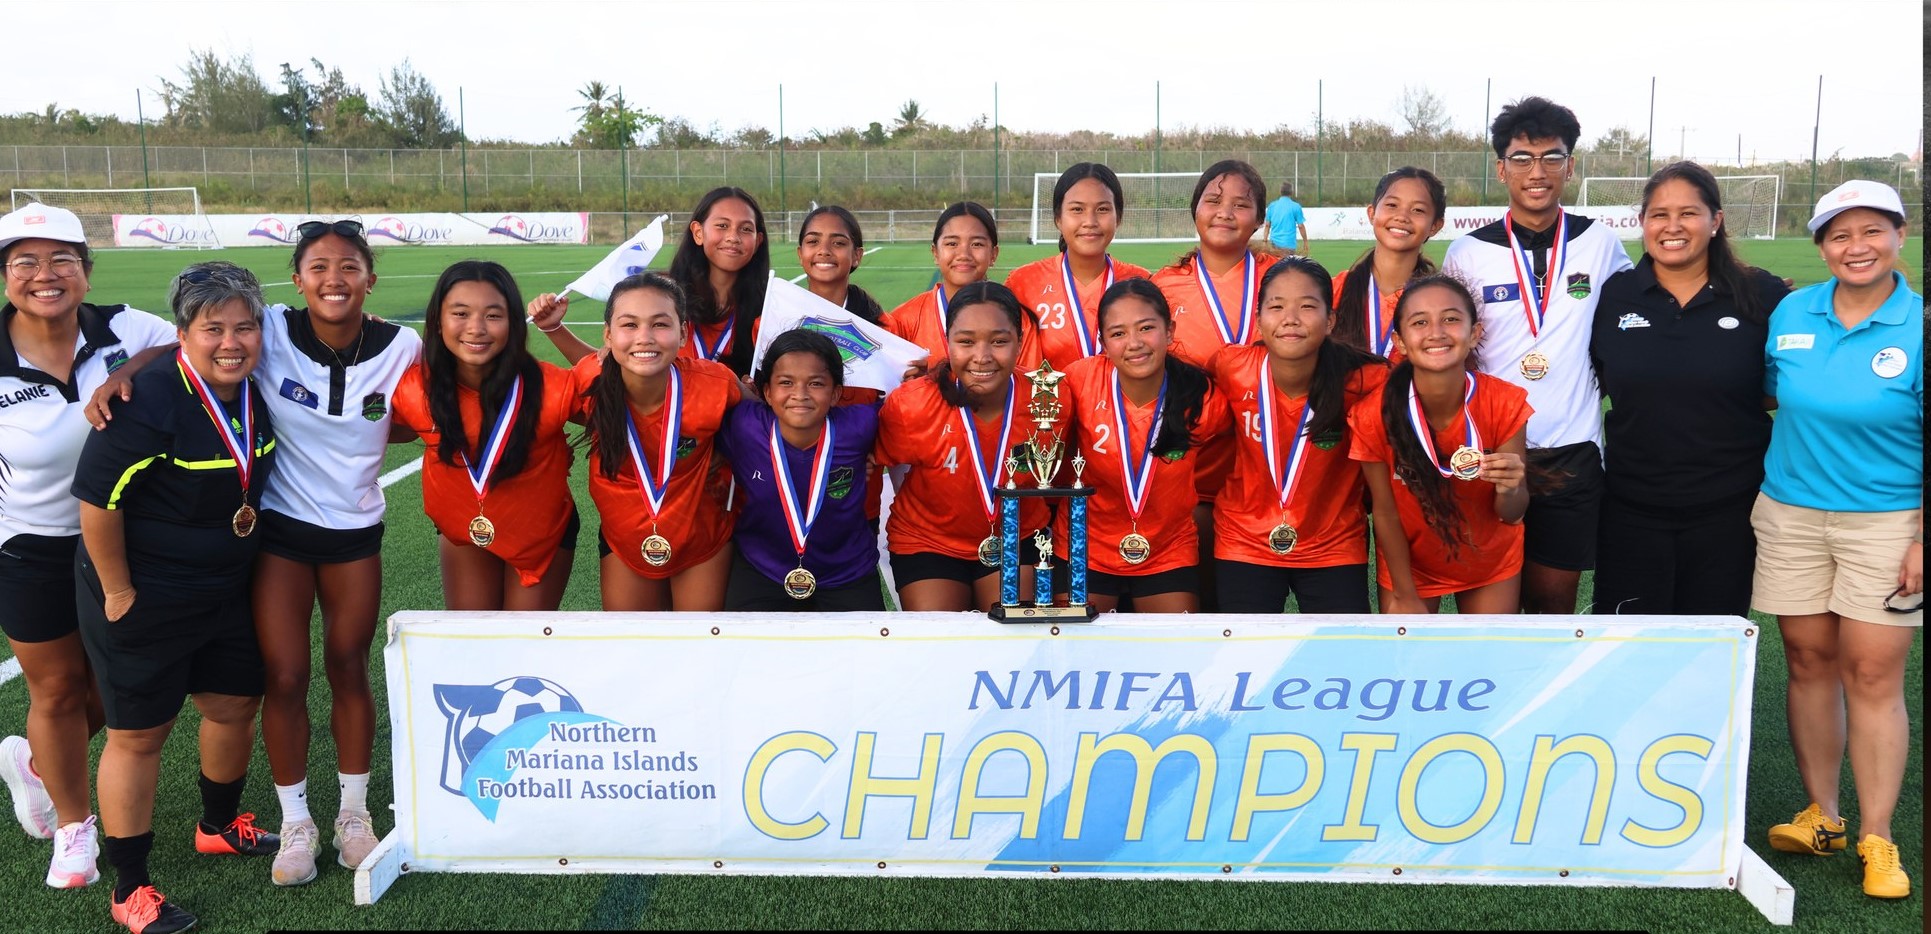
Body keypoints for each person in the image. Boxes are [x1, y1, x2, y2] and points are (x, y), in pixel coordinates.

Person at [72, 262, 280, 934]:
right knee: (138, 734)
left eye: (243, 326)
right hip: (145, 588)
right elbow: (97, 502)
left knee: (232, 703)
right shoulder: (147, 399)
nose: (231, 341)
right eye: (212, 328)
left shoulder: (255, 386)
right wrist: (118, 590)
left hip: (225, 584)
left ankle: (218, 825)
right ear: (185, 333)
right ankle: (129, 887)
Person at [0, 204, 176, 891]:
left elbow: (183, 344)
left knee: (117, 686)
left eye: (61, 260)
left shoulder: (126, 325)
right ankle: (73, 829)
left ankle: (38, 765)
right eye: (25, 262)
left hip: (127, 541)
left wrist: (123, 371)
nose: (46, 275)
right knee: (58, 687)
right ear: (5, 276)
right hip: (30, 545)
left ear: (86, 270)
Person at [1755, 180, 1921, 901]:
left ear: (1899, 237)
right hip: (1790, 515)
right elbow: (1768, 391)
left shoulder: (1919, 323)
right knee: (1807, 661)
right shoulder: (1792, 309)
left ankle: (1876, 835)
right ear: (1821, 245)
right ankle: (1822, 814)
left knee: (1874, 676)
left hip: (1887, 524)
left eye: (1870, 232)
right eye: (1838, 235)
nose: (1855, 247)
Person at [1441, 96, 1633, 614]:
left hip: (1573, 447)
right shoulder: (1467, 252)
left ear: (1570, 166)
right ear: (1502, 168)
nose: (1538, 171)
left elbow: (1642, 312)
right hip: (1493, 449)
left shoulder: (1600, 243)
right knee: (1487, 605)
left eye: (1552, 157)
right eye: (1523, 158)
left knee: (1552, 605)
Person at [1588, 163, 1788, 617]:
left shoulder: (1761, 294)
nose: (1672, 227)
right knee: (1627, 650)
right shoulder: (1614, 296)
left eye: (1688, 213)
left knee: (1712, 651)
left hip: (1729, 510)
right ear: (1643, 223)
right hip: (1631, 508)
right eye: (1659, 214)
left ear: (1715, 221)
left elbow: (1780, 387)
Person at [391, 261, 578, 611]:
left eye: (493, 315)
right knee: (472, 646)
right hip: (464, 530)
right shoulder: (414, 388)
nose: (476, 328)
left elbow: (617, 391)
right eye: (460, 313)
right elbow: (360, 426)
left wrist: (555, 330)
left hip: (539, 532)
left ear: (513, 324)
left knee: (522, 651)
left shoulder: (552, 386)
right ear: (437, 320)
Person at [1209, 258, 1386, 613]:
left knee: (1340, 659)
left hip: (1333, 542)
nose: (1290, 318)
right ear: (1258, 320)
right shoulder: (1231, 367)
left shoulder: (1366, 380)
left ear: (1330, 319)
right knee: (1244, 657)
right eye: (1276, 307)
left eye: (1307, 306)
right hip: (1243, 538)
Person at [1351, 275, 1532, 614]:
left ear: (1475, 333)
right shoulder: (1372, 414)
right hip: (1411, 566)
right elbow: (1386, 513)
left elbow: (1512, 513)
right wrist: (1405, 594)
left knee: (1489, 661)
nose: (1436, 332)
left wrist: (1510, 489)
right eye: (1420, 322)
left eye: (1451, 319)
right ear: (1400, 341)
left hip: (1489, 561)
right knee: (1410, 665)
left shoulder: (1505, 401)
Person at [562, 272, 741, 611]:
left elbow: (764, 425)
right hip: (624, 539)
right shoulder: (588, 381)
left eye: (660, 324)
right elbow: (525, 411)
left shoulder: (714, 383)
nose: (644, 338)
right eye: (629, 325)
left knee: (699, 646)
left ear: (683, 332)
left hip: (702, 539)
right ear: (608, 336)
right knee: (634, 650)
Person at [876, 281, 1056, 612]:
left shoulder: (1050, 398)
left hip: (1017, 538)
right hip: (928, 541)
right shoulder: (911, 403)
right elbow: (879, 464)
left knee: (1012, 640)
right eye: (966, 342)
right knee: (941, 643)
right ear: (948, 342)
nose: (982, 357)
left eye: (999, 341)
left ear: (1020, 341)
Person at [1053, 279, 1227, 613]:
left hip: (1168, 550)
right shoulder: (1078, 380)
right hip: (1084, 546)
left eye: (1146, 328)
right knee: (1074, 655)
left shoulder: (1202, 396)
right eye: (1118, 334)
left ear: (1170, 330)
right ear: (1103, 342)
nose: (1134, 343)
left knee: (1174, 655)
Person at [1152, 160, 1279, 611]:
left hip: (1270, 468)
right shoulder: (1162, 287)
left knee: (1245, 608)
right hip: (1192, 467)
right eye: (1213, 201)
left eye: (1240, 205)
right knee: (1193, 598)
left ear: (1260, 219)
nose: (1225, 212)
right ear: (1194, 211)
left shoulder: (1282, 280)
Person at [718, 328, 885, 610]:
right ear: (767, 393)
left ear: (836, 394)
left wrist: (918, 378)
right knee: (744, 651)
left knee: (865, 653)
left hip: (847, 574)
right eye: (786, 382)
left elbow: (910, 407)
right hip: (762, 570)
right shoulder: (744, 425)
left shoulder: (860, 426)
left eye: (816, 384)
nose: (800, 394)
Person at [1003, 163, 1153, 369]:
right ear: (1058, 218)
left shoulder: (1141, 282)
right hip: (1046, 401)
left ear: (1118, 217)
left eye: (1102, 209)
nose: (1089, 221)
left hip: (1119, 401)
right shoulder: (1023, 283)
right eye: (1077, 210)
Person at [884, 201, 1041, 370]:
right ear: (935, 253)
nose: (964, 254)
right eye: (952, 243)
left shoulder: (1018, 320)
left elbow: (1027, 388)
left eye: (977, 244)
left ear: (993, 254)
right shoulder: (904, 319)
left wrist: (936, 382)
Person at [1331, 167, 1448, 359]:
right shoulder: (1333, 291)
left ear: (1435, 226)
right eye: (1392, 205)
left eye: (1418, 210)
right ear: (1371, 213)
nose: (1402, 216)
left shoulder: (1442, 300)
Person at [668, 186, 771, 375]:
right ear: (698, 232)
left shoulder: (770, 311)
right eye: (722, 226)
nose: (733, 237)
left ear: (757, 242)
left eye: (746, 229)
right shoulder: (663, 297)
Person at [796, 206, 885, 323]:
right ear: (800, 254)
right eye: (813, 241)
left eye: (838, 243)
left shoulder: (884, 327)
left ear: (856, 255)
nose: (824, 251)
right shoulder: (777, 318)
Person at [1263, 181, 1309, 256]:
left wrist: (1264, 241)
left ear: (1280, 191)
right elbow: (1300, 226)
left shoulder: (1272, 206)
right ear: (1291, 192)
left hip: (1274, 243)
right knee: (1287, 266)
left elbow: (1267, 225)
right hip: (1289, 244)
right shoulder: (1296, 206)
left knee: (1276, 266)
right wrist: (1305, 241)